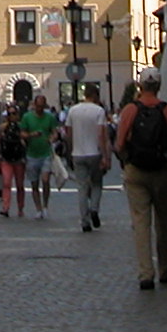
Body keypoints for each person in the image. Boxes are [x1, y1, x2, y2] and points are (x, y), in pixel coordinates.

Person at [113, 76, 167, 289]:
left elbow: (119, 144)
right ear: (159, 86)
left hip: (136, 171)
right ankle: (165, 270)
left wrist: (127, 162)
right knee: (164, 223)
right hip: (164, 171)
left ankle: (146, 273)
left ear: (140, 86)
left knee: (141, 223)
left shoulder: (130, 110)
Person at [64, 84, 111, 231]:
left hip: (78, 153)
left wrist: (69, 152)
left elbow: (68, 134)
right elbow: (101, 135)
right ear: (96, 96)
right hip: (94, 153)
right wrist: (105, 156)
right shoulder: (99, 111)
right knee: (97, 184)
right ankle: (94, 209)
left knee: (82, 188)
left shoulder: (73, 110)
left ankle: (84, 221)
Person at [19, 87, 59, 217]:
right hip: (32, 154)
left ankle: (46, 205)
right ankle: (38, 208)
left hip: (46, 153)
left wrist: (52, 138)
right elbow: (22, 133)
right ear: (34, 105)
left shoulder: (50, 117)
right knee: (34, 183)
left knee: (45, 179)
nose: (40, 109)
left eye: (42, 106)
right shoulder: (27, 117)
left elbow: (55, 132)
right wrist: (31, 135)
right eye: (38, 106)